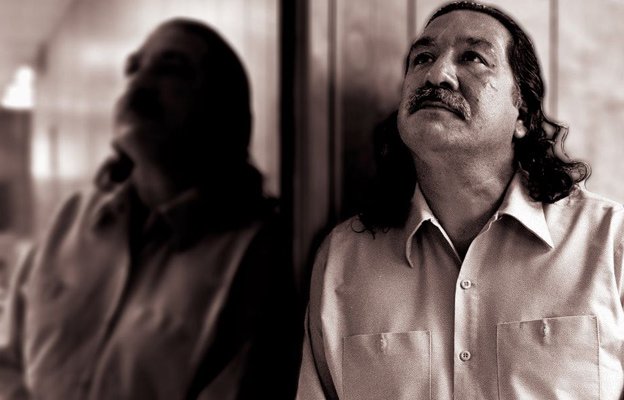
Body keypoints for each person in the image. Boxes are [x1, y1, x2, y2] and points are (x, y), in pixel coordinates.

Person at [296, 1, 624, 399]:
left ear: (522, 115)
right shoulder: (343, 261)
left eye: (473, 57)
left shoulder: (610, 245)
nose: (437, 75)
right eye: (422, 58)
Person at [0, 18, 301, 400]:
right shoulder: (69, 220)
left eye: (171, 70)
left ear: (222, 109)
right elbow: (11, 360)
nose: (138, 86)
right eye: (135, 68)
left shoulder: (252, 251)